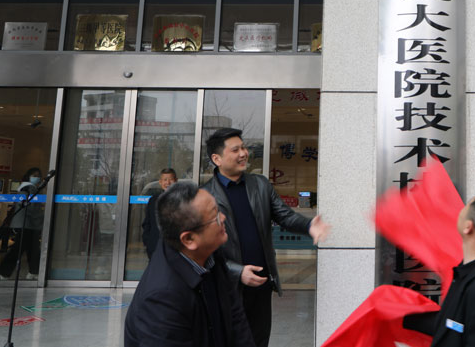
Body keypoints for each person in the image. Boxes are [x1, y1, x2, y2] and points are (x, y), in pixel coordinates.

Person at [202, 127, 331, 347]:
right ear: (217, 159)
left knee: (259, 341)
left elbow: (284, 215)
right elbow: (206, 251)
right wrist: (237, 272)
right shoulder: (204, 196)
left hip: (260, 283)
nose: (243, 153)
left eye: (244, 148)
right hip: (227, 286)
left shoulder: (259, 184)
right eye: (235, 150)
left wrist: (309, 226)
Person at [125, 181, 254, 347]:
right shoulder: (161, 301)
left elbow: (235, 317)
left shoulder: (210, 254)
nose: (223, 218)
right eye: (215, 216)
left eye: (219, 210)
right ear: (189, 239)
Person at [406, 181, 475, 347]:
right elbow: (453, 325)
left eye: (467, 205)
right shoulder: (472, 271)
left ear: (468, 227)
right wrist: (402, 315)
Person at [0, 167, 43, 280]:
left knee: (32, 249)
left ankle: (35, 272)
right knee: (18, 249)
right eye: (34, 175)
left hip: (25, 224)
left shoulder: (24, 187)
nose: (37, 178)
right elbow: (31, 208)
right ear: (28, 176)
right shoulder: (30, 188)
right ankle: (1, 273)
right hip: (26, 224)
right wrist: (41, 219)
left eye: (38, 176)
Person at [142, 167, 178, 258]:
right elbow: (147, 222)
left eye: (171, 179)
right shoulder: (153, 200)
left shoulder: (183, 200)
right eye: (165, 180)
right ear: (160, 182)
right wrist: (147, 241)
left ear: (176, 181)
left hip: (175, 249)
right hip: (155, 246)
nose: (168, 183)